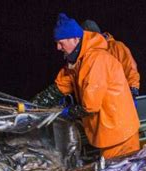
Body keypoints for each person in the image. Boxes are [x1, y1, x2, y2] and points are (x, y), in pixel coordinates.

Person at [32, 13, 140, 159]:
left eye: (60, 42)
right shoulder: (77, 62)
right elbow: (59, 87)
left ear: (75, 39)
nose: (58, 47)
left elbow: (90, 106)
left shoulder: (96, 60)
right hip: (108, 129)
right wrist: (34, 105)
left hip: (119, 131)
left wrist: (66, 112)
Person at [81, 20, 141, 102]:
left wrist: (133, 89)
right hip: (100, 100)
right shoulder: (87, 54)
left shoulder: (117, 46)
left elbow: (130, 67)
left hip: (120, 97)